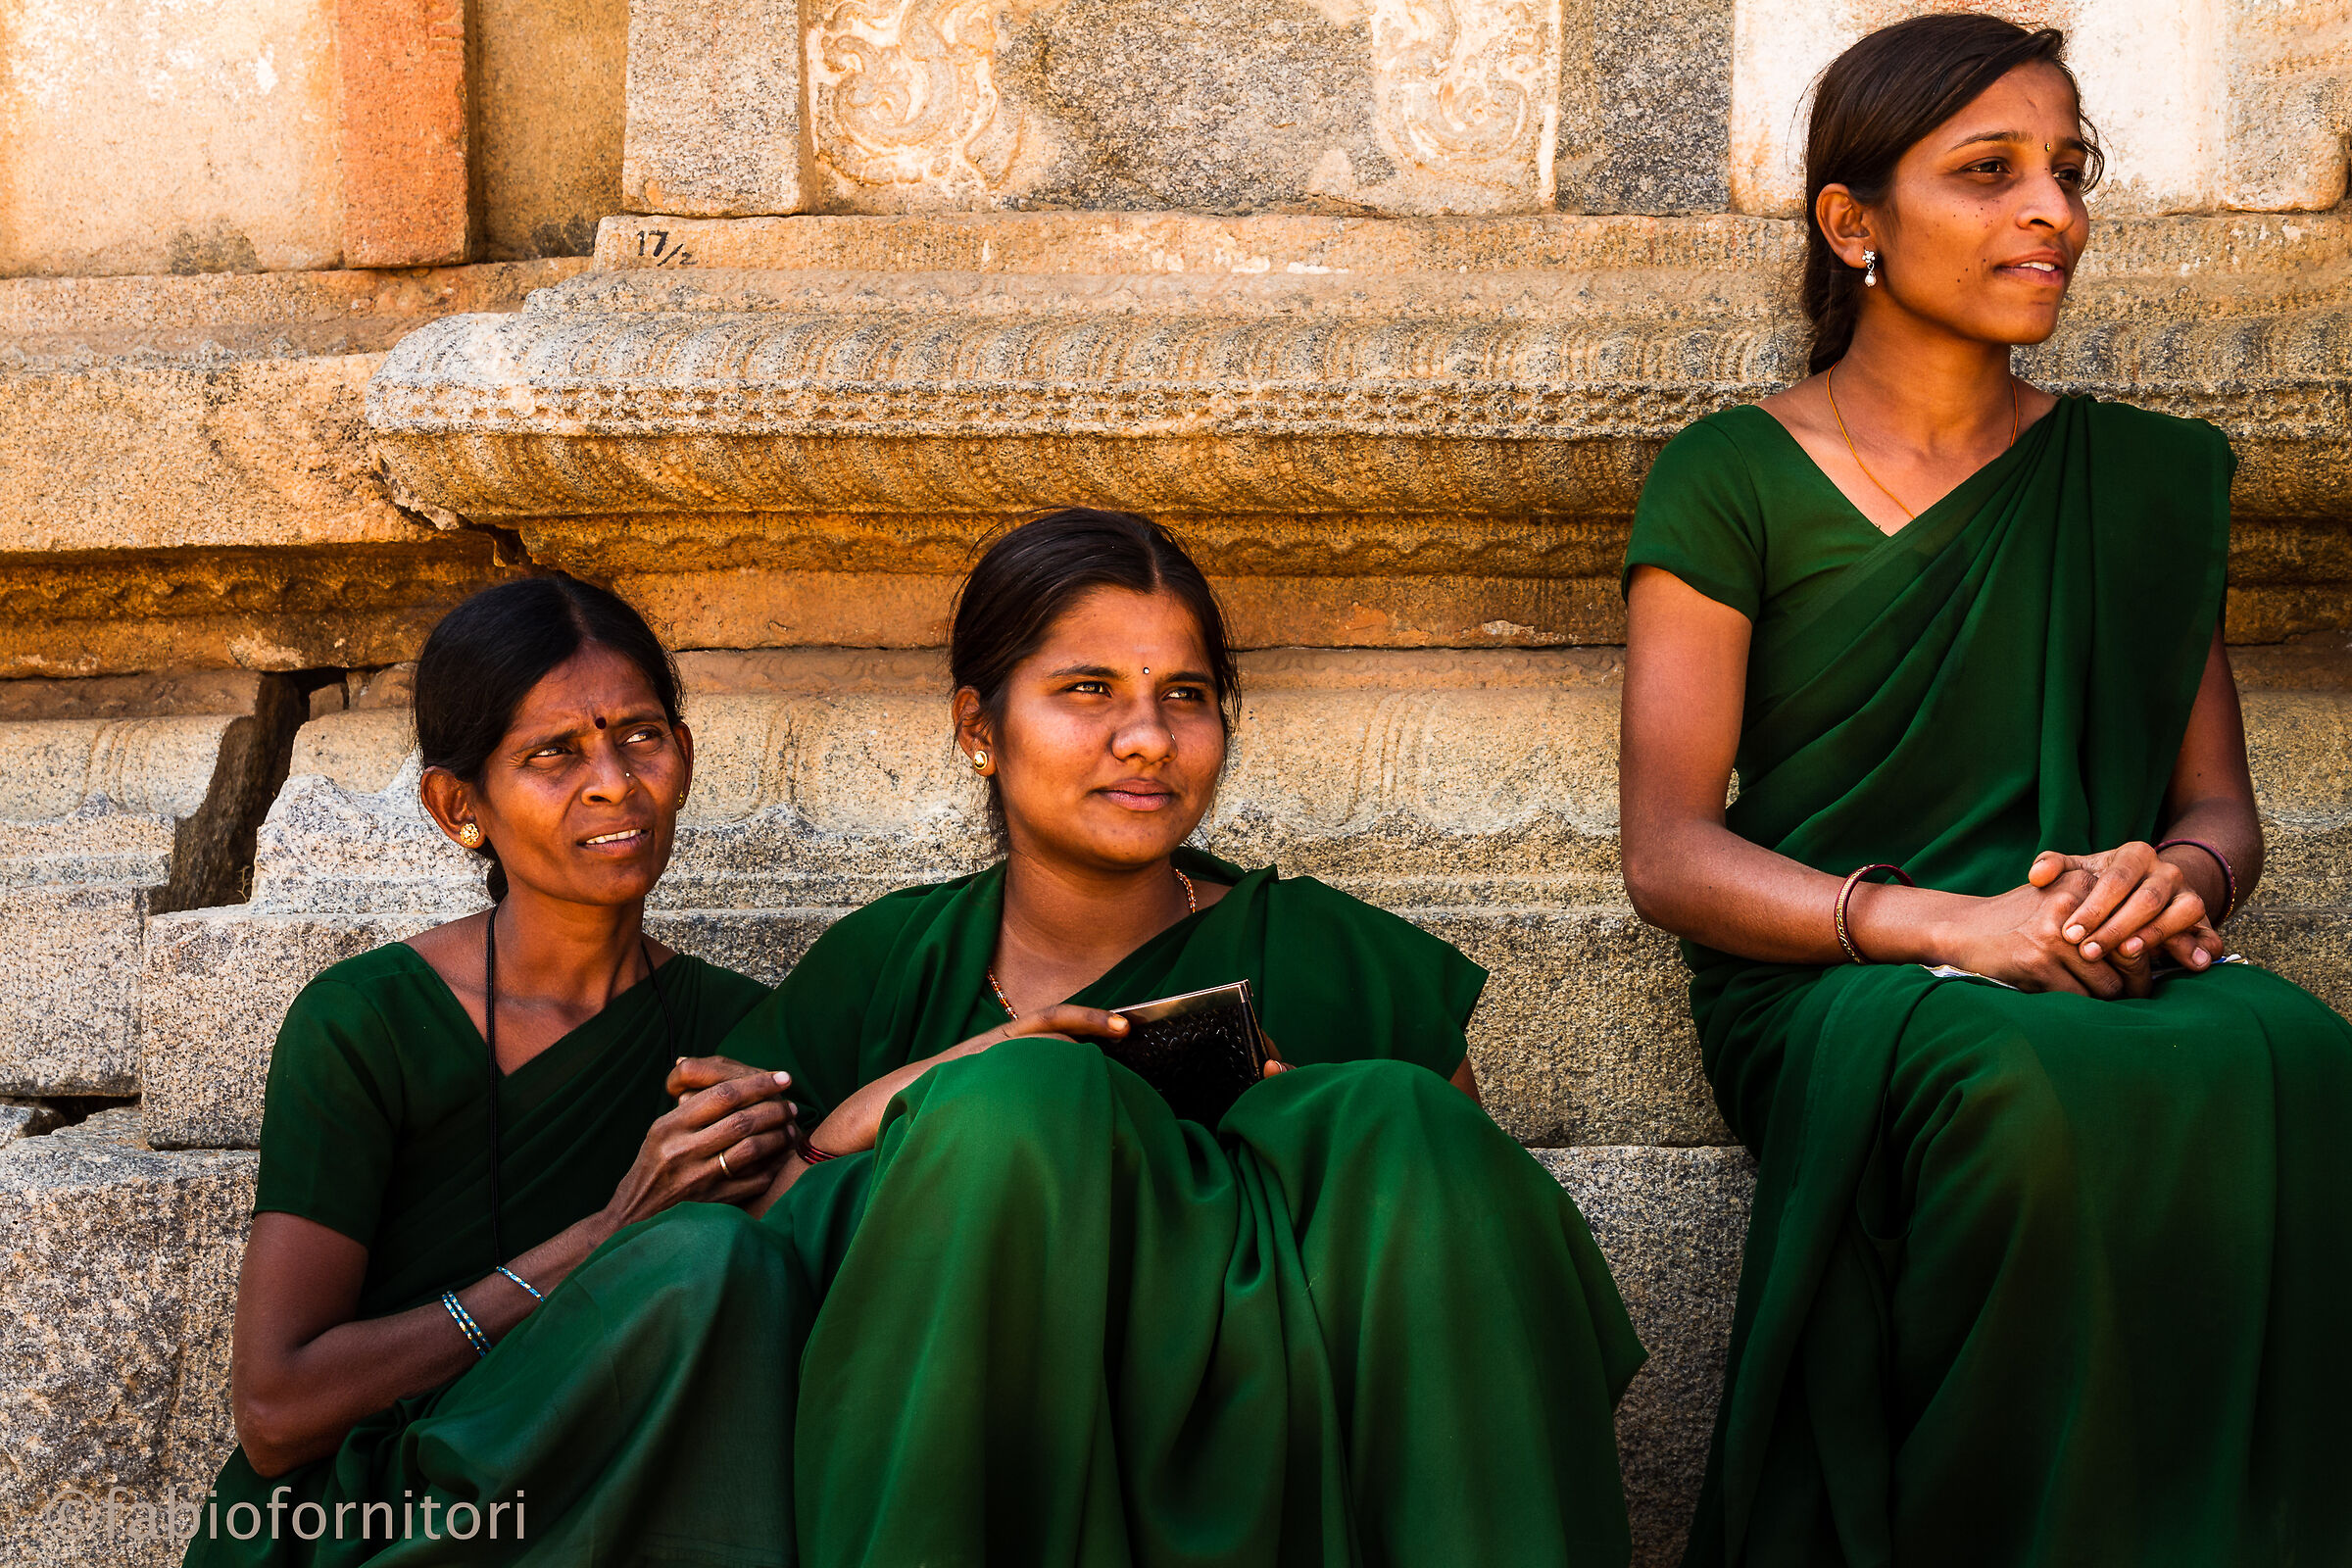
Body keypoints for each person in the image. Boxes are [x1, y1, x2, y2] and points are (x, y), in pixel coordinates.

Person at [1618, 14, 2352, 1566]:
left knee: (2294, 1046)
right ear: (1852, 222)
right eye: (1991, 172)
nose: (2055, 214)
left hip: (2090, 945)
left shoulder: (2140, 479)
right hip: (1835, 971)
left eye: (2070, 173)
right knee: (2015, 1092)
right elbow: (1671, 852)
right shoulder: (1733, 473)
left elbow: (2219, 810)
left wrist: (2177, 882)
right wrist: (1944, 924)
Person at [730, 507, 1645, 1566]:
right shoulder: (886, 966)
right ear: (980, 728)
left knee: (1388, 1117)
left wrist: (1310, 1162)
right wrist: (920, 1087)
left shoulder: (1340, 963)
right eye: (1089, 691)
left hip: (1308, 1510)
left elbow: (1468, 1331)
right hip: (982, 1500)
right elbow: (737, 1276)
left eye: (1187, 696)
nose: (1149, 739)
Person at [190, 574, 807, 1566]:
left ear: (684, 757)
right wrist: (606, 1237)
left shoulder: (733, 1031)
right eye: (554, 753)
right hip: (377, 1516)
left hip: (627, 1485)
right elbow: (276, 1409)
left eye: (641, 735)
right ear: (457, 805)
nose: (613, 780)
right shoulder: (370, 1023)